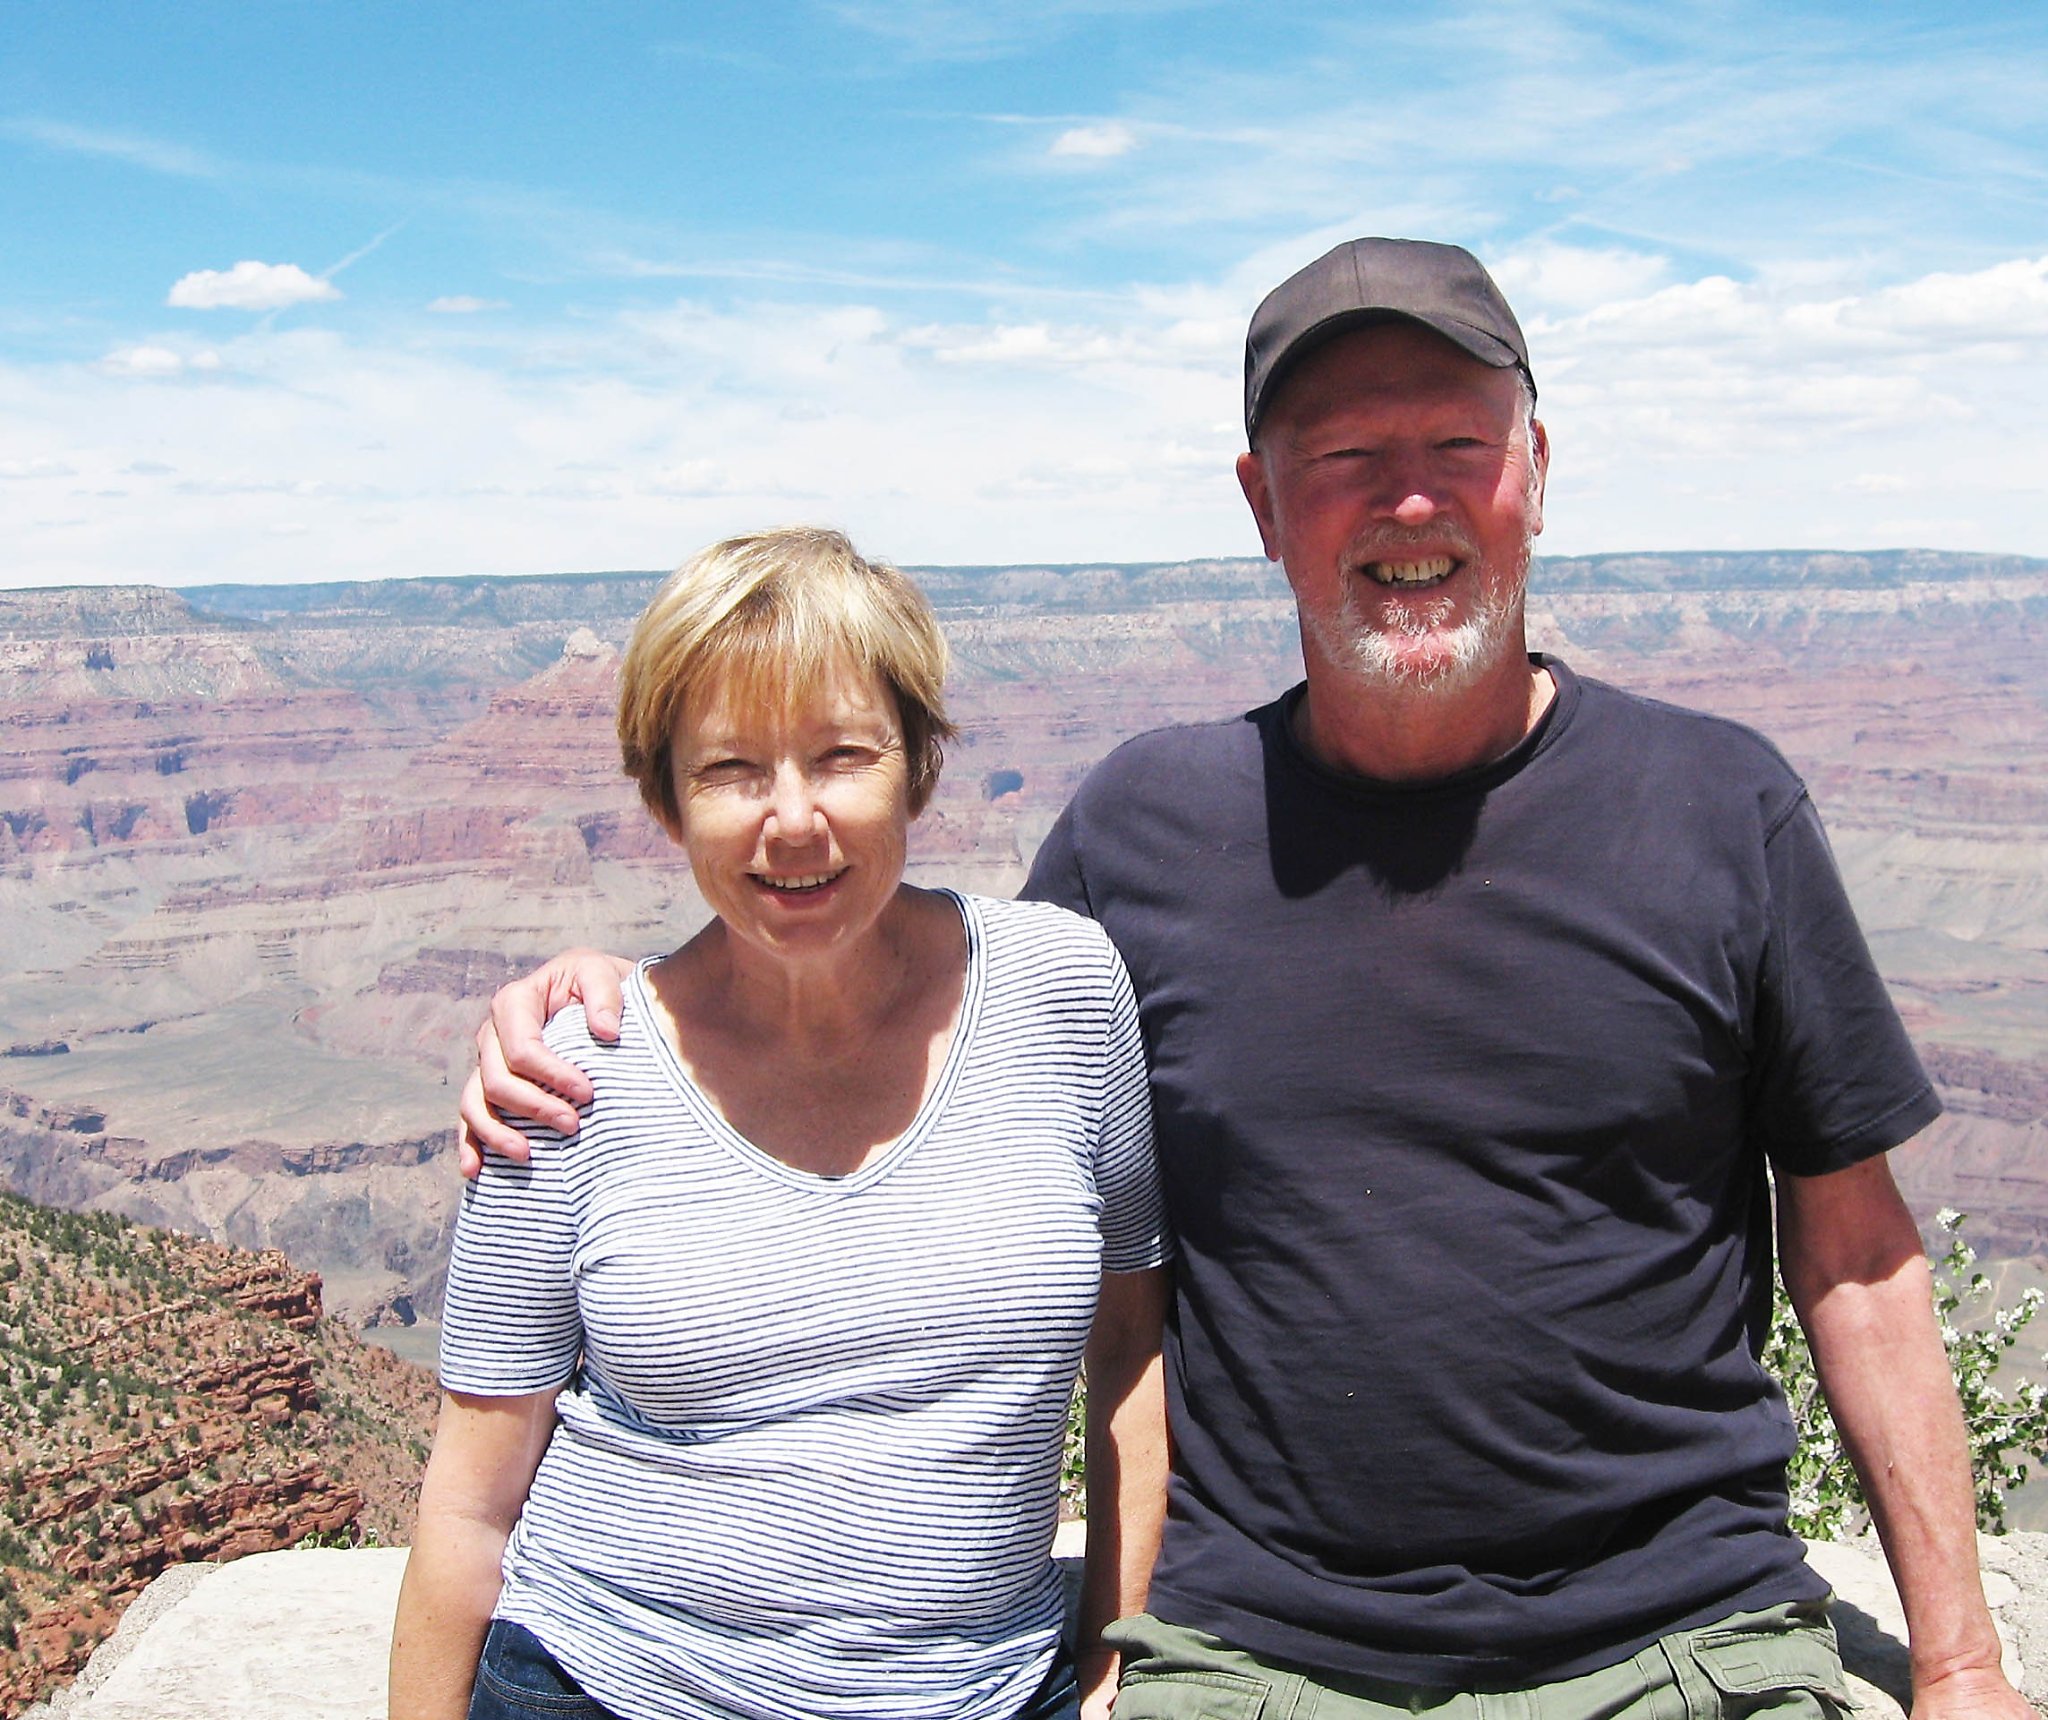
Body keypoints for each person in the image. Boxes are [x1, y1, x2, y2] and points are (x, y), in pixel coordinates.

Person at [459, 243, 2033, 1720]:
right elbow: (881, 980)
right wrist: (613, 999)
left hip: (1677, 1639)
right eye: (1343, 457)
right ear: (1262, 504)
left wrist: (1958, 1664)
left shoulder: (1721, 806)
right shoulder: (1148, 829)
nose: (1407, 502)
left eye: (1457, 445)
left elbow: (1860, 1251)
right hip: (1256, 1656)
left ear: (1537, 473)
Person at [393, 527, 1170, 1720]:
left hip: (984, 1694)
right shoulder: (562, 1077)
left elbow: (1129, 1349)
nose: (793, 819)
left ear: (915, 764)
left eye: (841, 755)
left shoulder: (1063, 992)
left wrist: (1113, 1662)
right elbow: (469, 1499)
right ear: (664, 798)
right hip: (608, 1687)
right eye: (731, 770)